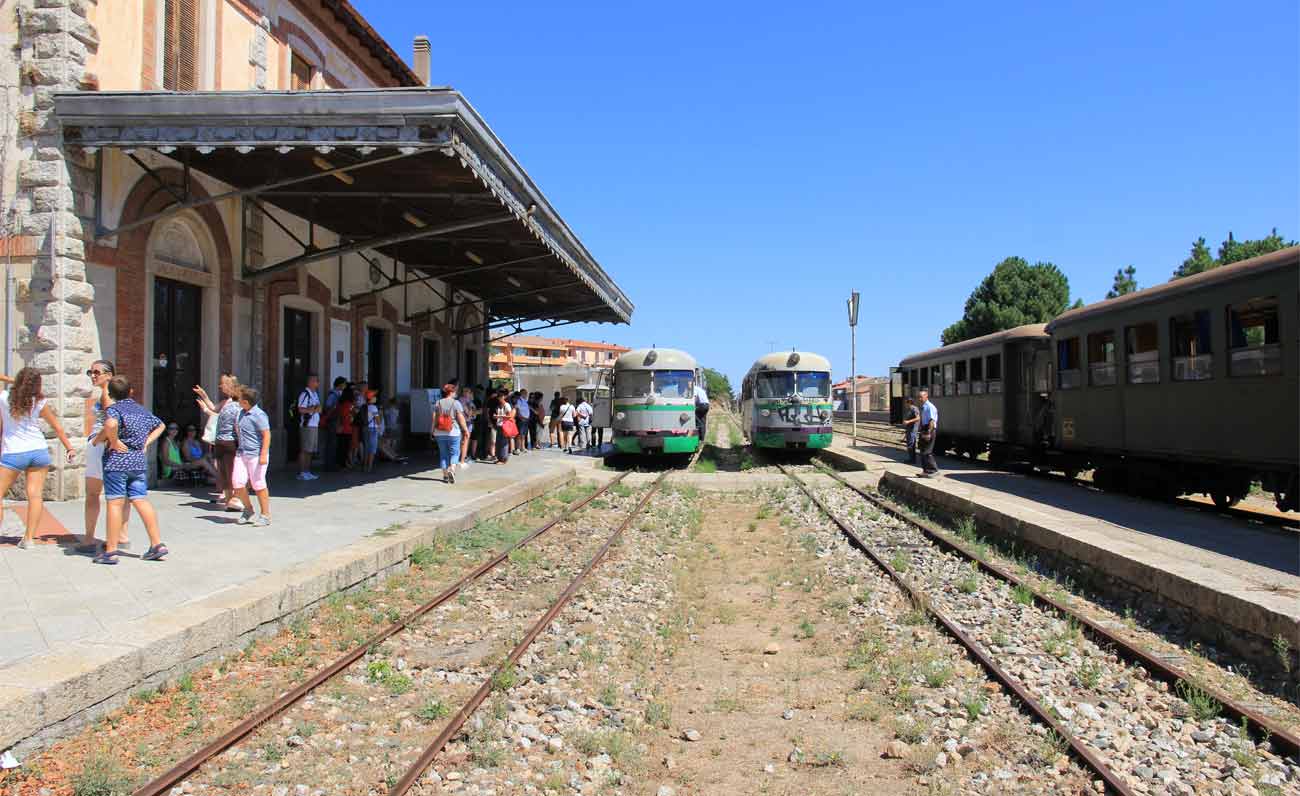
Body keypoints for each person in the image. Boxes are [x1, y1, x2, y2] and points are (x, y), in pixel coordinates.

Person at [94, 375, 168, 564]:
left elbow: (111, 424)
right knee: (140, 499)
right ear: (131, 391)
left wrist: (114, 440)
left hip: (117, 462)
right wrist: (146, 443)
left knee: (115, 503)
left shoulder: (114, 409)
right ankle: (157, 543)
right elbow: (161, 425)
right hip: (137, 462)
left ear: (110, 394)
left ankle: (111, 551)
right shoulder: (141, 410)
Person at [0, 368, 76, 549]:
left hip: (14, 452)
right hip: (38, 451)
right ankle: (28, 539)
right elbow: (57, 427)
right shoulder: (40, 401)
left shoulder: (4, 397)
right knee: (35, 496)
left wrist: (15, 382)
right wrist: (69, 448)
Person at [80, 360, 131, 552]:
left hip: (101, 443)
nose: (92, 375)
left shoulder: (106, 393)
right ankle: (122, 536)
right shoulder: (117, 394)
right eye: (90, 372)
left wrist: (106, 440)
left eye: (96, 372)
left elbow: (112, 421)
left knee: (93, 493)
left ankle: (89, 538)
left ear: (109, 375)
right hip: (110, 443)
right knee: (121, 494)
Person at [194, 374, 242, 511]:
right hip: (221, 441)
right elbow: (215, 409)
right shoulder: (226, 401)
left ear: (230, 385)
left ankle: (235, 498)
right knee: (223, 471)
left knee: (231, 471)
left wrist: (242, 443)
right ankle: (229, 500)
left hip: (230, 441)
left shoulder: (237, 402)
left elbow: (225, 418)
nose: (220, 386)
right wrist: (204, 396)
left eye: (222, 384)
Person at [232, 386, 273, 525]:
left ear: (246, 402)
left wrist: (263, 454)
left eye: (241, 399)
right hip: (242, 453)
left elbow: (266, 435)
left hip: (256, 454)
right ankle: (248, 509)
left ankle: (265, 515)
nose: (238, 400)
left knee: (258, 484)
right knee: (237, 483)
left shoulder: (259, 415)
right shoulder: (241, 413)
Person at [432, 384, 468, 483]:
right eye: (455, 391)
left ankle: (445, 475)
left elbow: (434, 418)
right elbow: (461, 418)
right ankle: (451, 469)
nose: (456, 393)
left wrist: (432, 430)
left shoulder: (438, 403)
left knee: (443, 454)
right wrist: (465, 430)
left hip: (439, 432)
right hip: (453, 432)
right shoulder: (456, 403)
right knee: (455, 453)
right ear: (451, 392)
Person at [295, 374, 321, 481]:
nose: (318, 383)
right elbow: (301, 409)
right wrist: (313, 409)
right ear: (310, 382)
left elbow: (319, 408)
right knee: (304, 449)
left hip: (314, 425)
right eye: (316, 381)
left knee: (310, 450)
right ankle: (302, 472)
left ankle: (307, 471)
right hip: (307, 425)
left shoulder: (315, 394)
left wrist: (316, 409)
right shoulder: (305, 394)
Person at [321, 377, 346, 471]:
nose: (344, 386)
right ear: (339, 384)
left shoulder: (338, 394)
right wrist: (334, 409)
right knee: (331, 443)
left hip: (335, 421)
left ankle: (331, 464)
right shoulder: (333, 395)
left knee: (333, 443)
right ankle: (329, 465)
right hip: (332, 421)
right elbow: (327, 407)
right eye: (344, 384)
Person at [917, 388, 940, 477]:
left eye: (921, 397)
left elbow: (931, 421)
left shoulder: (930, 407)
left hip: (929, 429)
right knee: (922, 450)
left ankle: (933, 470)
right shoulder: (924, 407)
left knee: (927, 451)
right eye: (919, 397)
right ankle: (926, 471)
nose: (919, 399)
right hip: (924, 429)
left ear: (926, 397)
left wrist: (928, 433)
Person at [334, 386, 356, 471]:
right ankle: (343, 465)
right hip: (347, 428)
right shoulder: (350, 405)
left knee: (340, 447)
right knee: (345, 448)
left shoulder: (340, 403)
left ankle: (341, 464)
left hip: (340, 428)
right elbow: (350, 416)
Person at [492, 392, 515, 464]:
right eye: (499, 397)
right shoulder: (499, 405)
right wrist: (496, 416)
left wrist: (499, 416)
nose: (500, 398)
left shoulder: (507, 405)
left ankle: (503, 459)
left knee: (504, 443)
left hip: (504, 426)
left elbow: (510, 416)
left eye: (501, 397)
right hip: (499, 425)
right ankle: (499, 458)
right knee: (498, 443)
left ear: (504, 397)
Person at [363, 390, 382, 473]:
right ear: (370, 398)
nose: (375, 398)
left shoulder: (364, 406)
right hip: (372, 428)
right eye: (374, 396)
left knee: (366, 448)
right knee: (372, 448)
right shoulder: (373, 407)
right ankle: (369, 467)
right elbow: (378, 421)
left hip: (365, 428)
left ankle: (364, 466)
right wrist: (380, 414)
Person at [459, 386, 477, 467]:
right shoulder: (461, 400)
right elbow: (469, 412)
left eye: (469, 392)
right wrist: (472, 412)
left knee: (466, 440)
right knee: (463, 441)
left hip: (469, 422)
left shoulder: (470, 400)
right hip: (464, 422)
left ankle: (464, 457)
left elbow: (474, 411)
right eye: (466, 391)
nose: (468, 393)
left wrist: (473, 412)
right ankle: (461, 459)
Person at [902, 396, 921, 465]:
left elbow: (918, 418)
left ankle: (912, 460)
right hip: (909, 429)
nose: (905, 404)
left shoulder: (914, 409)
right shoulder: (909, 409)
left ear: (909, 402)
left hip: (913, 429)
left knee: (911, 444)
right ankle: (911, 459)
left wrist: (908, 421)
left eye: (906, 402)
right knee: (909, 444)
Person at [693, 377, 710, 444]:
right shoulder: (699, 388)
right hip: (706, 405)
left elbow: (694, 398)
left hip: (702, 405)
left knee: (695, 418)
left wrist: (693, 407)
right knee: (703, 421)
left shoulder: (694, 388)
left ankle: (698, 436)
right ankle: (702, 439)